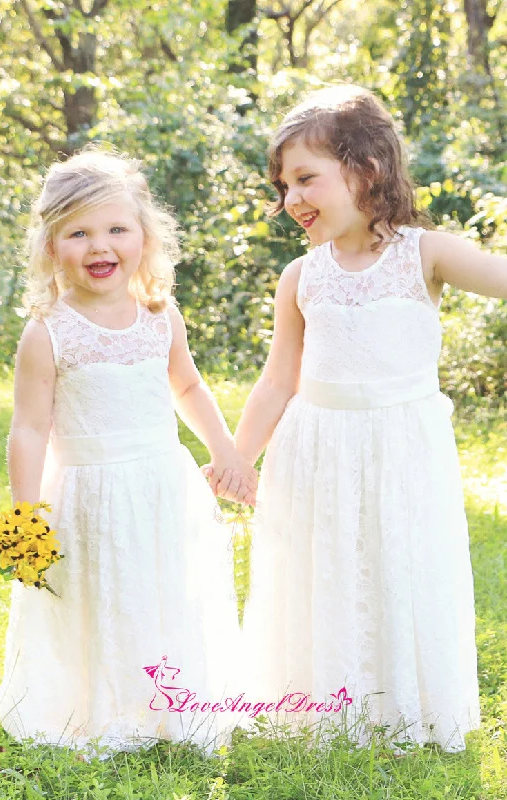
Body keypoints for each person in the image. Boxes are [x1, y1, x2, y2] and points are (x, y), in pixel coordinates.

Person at [215, 84, 507, 752]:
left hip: (402, 446)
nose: (290, 199)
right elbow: (275, 380)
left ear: (366, 170)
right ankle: (323, 706)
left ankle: (402, 703)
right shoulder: (300, 276)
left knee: (399, 568)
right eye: (282, 185)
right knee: (325, 573)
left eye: (304, 179)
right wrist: (237, 456)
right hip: (317, 446)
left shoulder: (423, 253)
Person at [0, 148, 256, 758]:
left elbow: (186, 386)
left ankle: (171, 705)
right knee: (100, 596)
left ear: (144, 235)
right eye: (78, 233)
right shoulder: (49, 331)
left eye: (116, 228)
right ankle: (104, 708)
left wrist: (226, 451)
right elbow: (30, 429)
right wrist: (25, 515)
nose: (99, 245)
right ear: (51, 246)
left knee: (165, 590)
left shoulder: (160, 317)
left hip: (163, 485)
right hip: (88, 492)